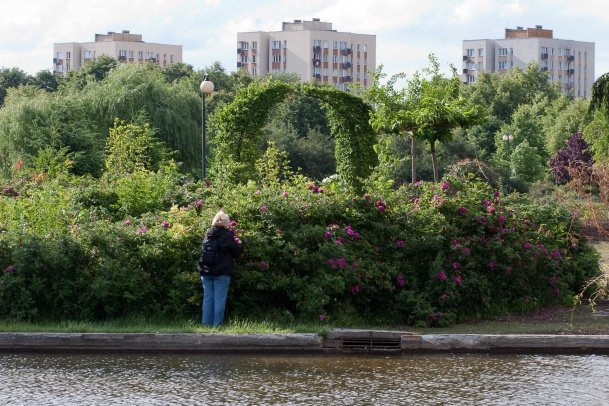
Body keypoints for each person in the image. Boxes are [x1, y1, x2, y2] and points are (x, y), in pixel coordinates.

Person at [199, 209, 243, 326]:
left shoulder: (208, 233)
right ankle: (217, 326)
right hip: (221, 272)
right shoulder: (227, 236)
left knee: (208, 298)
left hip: (206, 271)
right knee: (219, 299)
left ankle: (206, 325)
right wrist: (239, 243)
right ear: (226, 222)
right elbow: (237, 251)